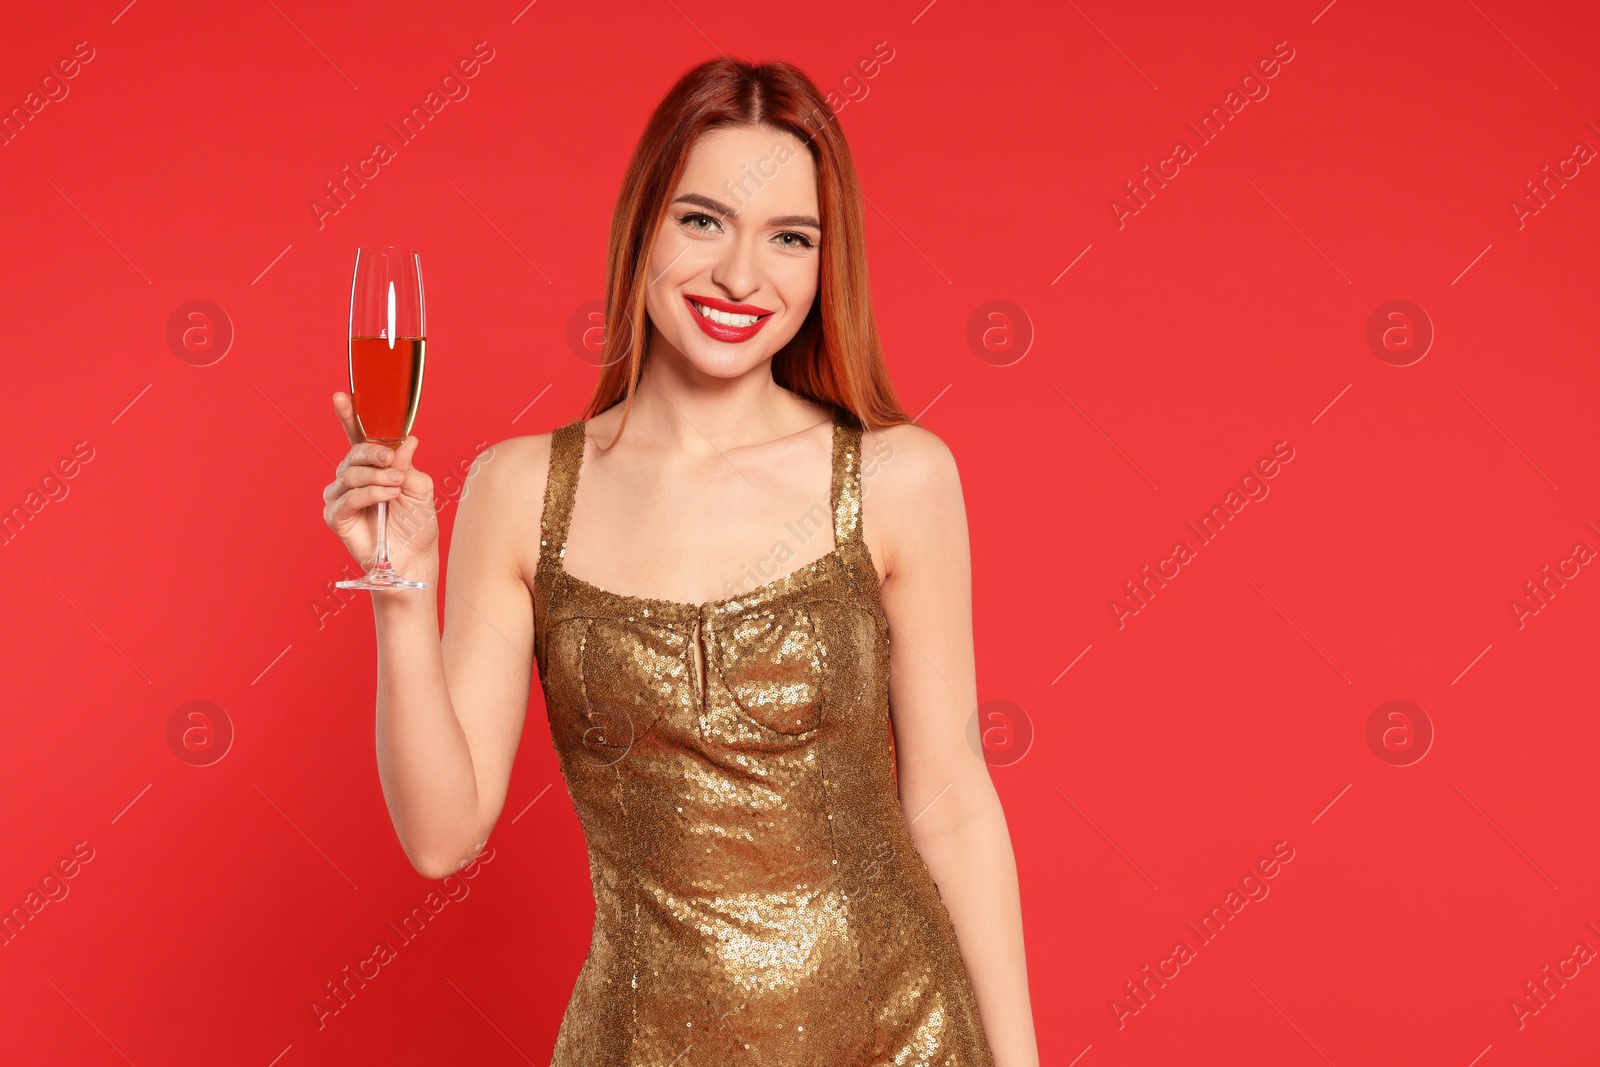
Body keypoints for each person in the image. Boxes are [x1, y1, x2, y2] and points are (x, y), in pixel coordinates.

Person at [323, 57, 1038, 1067]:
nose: (742, 277)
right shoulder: (521, 489)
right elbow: (442, 837)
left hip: (901, 1035)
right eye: (703, 220)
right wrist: (399, 587)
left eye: (789, 238)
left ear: (824, 266)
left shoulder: (896, 475)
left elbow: (953, 798)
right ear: (642, 227)